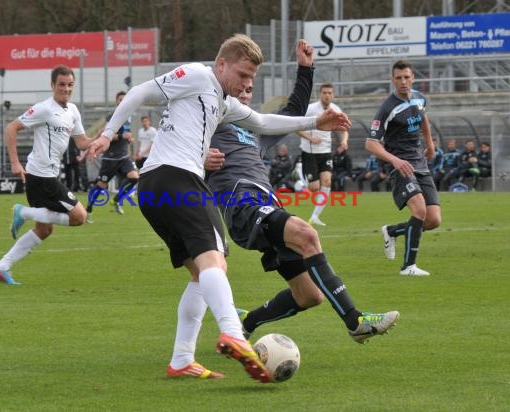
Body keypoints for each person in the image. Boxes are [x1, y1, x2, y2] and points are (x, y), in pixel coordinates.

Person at [86, 34, 351, 383]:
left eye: (251, 78)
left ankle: (182, 359)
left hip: (156, 189)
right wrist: (108, 132)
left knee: (200, 274)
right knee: (216, 261)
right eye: (242, 75)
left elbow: (263, 122)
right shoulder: (197, 76)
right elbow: (139, 92)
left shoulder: (223, 104)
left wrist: (315, 123)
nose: (247, 84)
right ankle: (234, 334)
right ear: (221, 64)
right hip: (175, 177)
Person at [205, 39, 398, 346]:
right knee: (307, 234)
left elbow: (293, 111)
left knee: (309, 295)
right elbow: (175, 155)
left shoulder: (255, 129)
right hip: (243, 207)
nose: (244, 92)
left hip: (265, 206)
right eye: (239, 86)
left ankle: (246, 321)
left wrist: (306, 68)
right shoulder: (209, 123)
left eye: (249, 90)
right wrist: (201, 159)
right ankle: (355, 320)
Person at [0, 65, 94, 285]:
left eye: (70, 85)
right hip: (40, 177)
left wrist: (103, 139)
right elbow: (11, 128)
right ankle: (24, 212)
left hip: (50, 176)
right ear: (52, 85)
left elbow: (82, 142)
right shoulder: (44, 109)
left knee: (44, 229)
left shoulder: (72, 111)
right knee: (80, 217)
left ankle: (2, 267)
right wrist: (16, 163)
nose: (66, 89)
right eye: (62, 85)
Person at [366, 59, 442, 276]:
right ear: (392, 80)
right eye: (398, 78)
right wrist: (395, 160)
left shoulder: (419, 98)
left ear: (413, 78)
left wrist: (430, 144)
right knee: (419, 209)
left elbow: (423, 117)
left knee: (433, 219)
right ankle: (408, 267)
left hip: (420, 163)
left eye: (407, 77)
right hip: (400, 166)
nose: (403, 82)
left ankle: (391, 231)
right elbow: (370, 143)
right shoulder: (386, 108)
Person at [297, 83, 349, 226]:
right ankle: (300, 179)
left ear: (333, 95)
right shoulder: (311, 109)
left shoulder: (336, 110)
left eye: (329, 93)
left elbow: (344, 129)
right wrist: (310, 138)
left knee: (327, 182)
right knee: (314, 187)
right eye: (324, 92)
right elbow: (296, 127)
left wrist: (344, 141)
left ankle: (315, 216)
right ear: (320, 94)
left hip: (326, 152)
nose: (327, 95)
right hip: (309, 152)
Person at [86, 91, 138, 219]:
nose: (122, 101)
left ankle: (116, 200)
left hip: (124, 157)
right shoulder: (113, 116)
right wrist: (121, 136)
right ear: (116, 101)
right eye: (120, 99)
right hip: (110, 158)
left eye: (124, 99)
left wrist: (129, 139)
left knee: (134, 177)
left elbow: (126, 135)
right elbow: (106, 136)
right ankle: (88, 208)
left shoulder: (128, 116)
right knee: (101, 186)